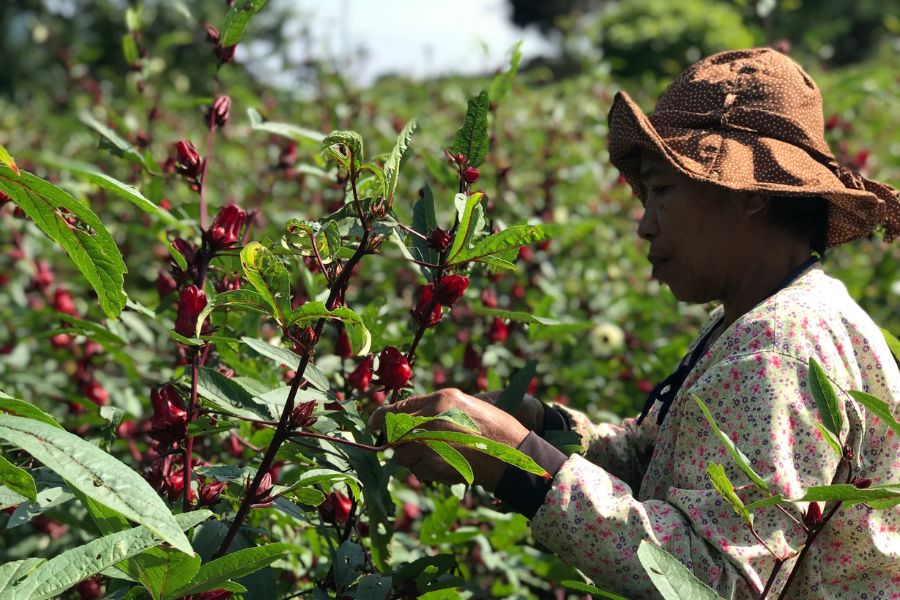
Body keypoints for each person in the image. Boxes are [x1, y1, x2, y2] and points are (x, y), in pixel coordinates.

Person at [371, 48, 900, 598]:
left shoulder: (776, 347)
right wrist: (544, 426)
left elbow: (713, 582)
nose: (645, 224)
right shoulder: (761, 318)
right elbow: (668, 470)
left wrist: (517, 461)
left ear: (750, 194)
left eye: (662, 190)